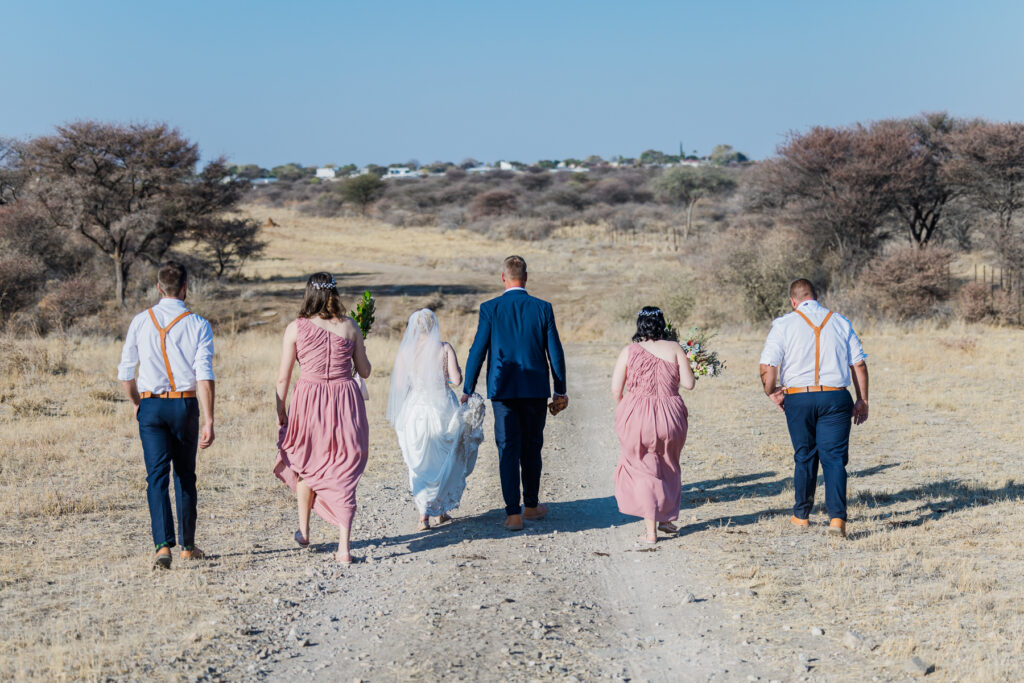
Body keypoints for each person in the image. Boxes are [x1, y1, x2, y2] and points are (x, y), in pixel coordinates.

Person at [118, 261, 216, 570]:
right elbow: (204, 375)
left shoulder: (140, 320)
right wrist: (210, 419)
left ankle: (162, 546)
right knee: (185, 475)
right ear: (186, 288)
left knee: (155, 477)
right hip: (184, 405)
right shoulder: (199, 324)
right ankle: (187, 545)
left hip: (150, 405)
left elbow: (125, 372)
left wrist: (137, 403)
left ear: (159, 288)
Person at [462, 255, 568, 531]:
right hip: (535, 389)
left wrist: (468, 388)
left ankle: (513, 514)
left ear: (503, 278)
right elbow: (554, 351)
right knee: (532, 446)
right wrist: (560, 389)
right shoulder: (542, 308)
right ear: (526, 277)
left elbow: (478, 349)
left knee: (507, 448)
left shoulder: (490, 308)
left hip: (502, 388)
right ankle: (531, 506)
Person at [759, 278, 869, 538]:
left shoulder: (783, 324)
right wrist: (862, 399)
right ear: (816, 298)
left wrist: (771, 391)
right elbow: (859, 364)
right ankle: (837, 519)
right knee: (834, 459)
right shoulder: (840, 321)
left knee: (805, 455)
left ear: (793, 301)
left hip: (799, 398)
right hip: (836, 397)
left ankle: (801, 516)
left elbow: (767, 367)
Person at [274, 272, 371, 564]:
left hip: (309, 400)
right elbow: (365, 371)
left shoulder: (296, 328)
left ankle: (304, 531)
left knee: (306, 463)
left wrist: (281, 411)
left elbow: (283, 376)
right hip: (345, 403)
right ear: (335, 295)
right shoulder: (350, 327)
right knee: (344, 468)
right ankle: (344, 547)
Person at [387, 309, 485, 530]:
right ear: (434, 327)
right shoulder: (444, 348)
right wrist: (455, 369)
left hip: (415, 411)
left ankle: (424, 516)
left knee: (418, 463)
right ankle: (440, 510)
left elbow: (400, 386)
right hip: (442, 407)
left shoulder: (406, 352)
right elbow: (457, 380)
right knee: (443, 460)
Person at [611, 307, 694, 544]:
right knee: (669, 463)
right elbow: (688, 384)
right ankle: (666, 518)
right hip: (671, 415)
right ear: (662, 325)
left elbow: (616, 389)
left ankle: (651, 532)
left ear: (640, 325)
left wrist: (625, 409)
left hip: (637, 415)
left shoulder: (629, 351)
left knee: (643, 468)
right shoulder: (675, 348)